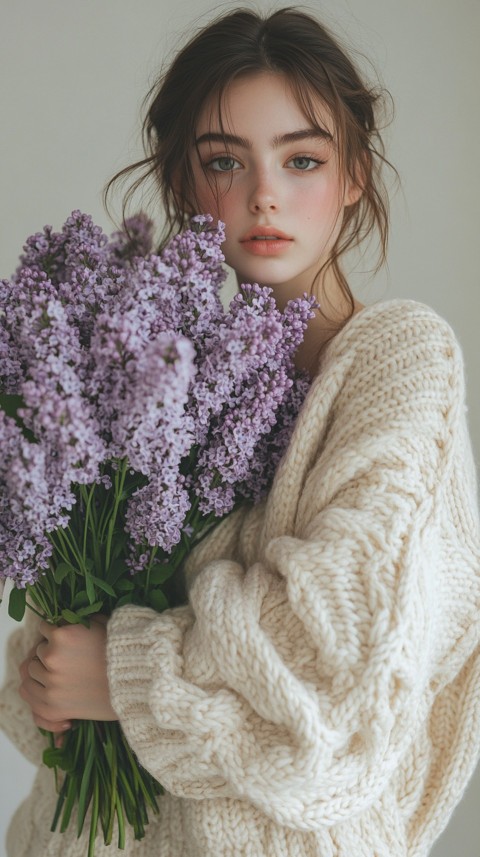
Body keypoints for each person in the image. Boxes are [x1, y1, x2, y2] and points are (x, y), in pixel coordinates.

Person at [1, 7, 480, 857]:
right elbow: (53, 677)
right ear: (187, 184)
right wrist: (48, 678)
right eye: (226, 160)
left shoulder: (399, 362)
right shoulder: (154, 366)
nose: (264, 193)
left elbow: (335, 662)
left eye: (302, 159)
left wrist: (124, 674)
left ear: (355, 176)